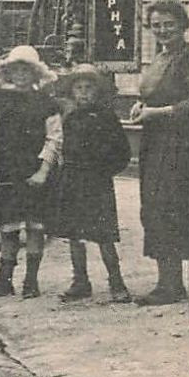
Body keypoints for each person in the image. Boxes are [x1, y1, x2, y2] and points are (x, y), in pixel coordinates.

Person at [130, 0, 189, 305]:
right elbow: (149, 94)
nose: (163, 30)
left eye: (169, 24)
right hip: (156, 142)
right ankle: (166, 279)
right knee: (153, 207)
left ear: (183, 25)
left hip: (182, 144)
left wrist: (157, 112)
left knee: (171, 206)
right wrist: (141, 106)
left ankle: (172, 285)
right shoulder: (160, 58)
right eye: (156, 25)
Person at [0, 44, 61, 299]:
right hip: (6, 171)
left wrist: (44, 171)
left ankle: (31, 281)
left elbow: (54, 139)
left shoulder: (47, 104)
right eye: (17, 70)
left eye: (27, 70)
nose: (22, 75)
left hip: (34, 172)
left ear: (36, 75)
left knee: (35, 226)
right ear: (8, 74)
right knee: (8, 227)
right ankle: (5, 280)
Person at [53, 65, 132, 303]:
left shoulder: (107, 117)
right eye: (79, 88)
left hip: (97, 182)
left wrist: (106, 170)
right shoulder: (69, 118)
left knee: (104, 234)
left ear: (98, 92)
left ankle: (116, 281)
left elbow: (122, 152)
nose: (84, 93)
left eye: (89, 88)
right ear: (72, 92)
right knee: (75, 233)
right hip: (73, 179)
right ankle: (80, 280)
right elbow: (60, 146)